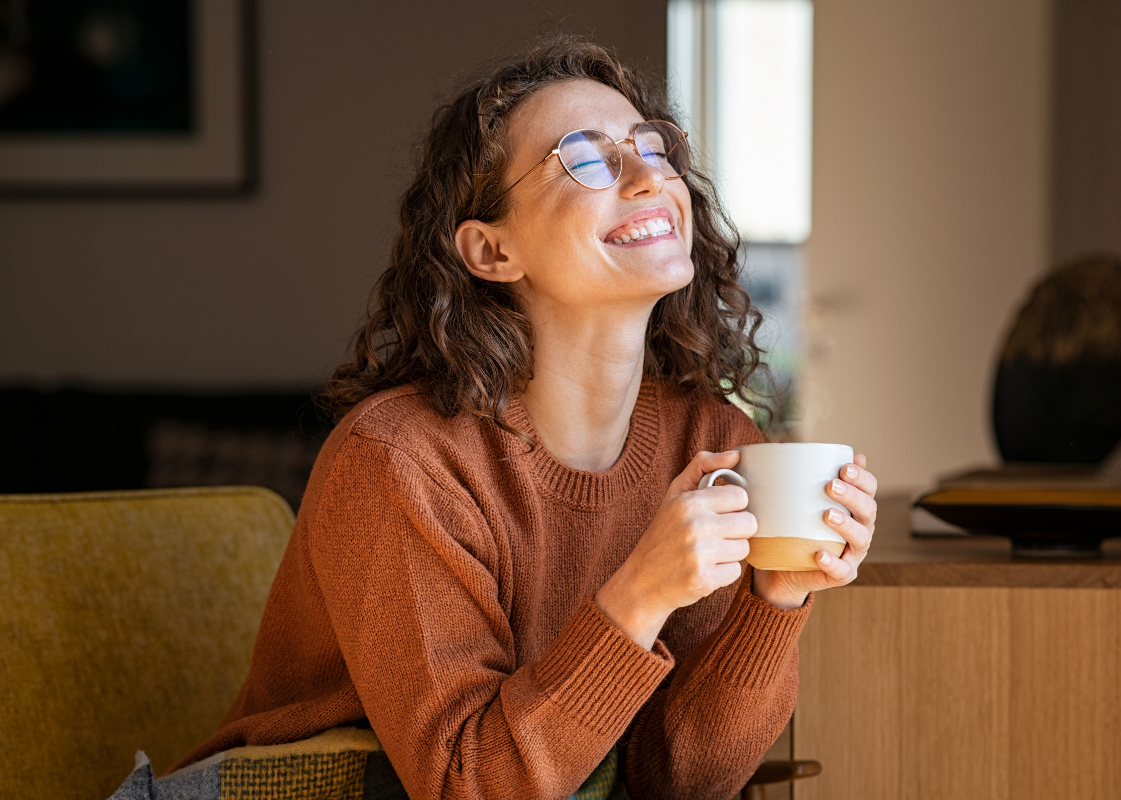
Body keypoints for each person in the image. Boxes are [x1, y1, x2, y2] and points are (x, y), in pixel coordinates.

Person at [174, 36, 877, 800]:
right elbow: (463, 786)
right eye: (585, 157)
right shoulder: (400, 460)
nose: (648, 177)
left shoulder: (712, 443)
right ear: (491, 250)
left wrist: (776, 597)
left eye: (654, 146)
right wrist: (638, 595)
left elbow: (671, 782)